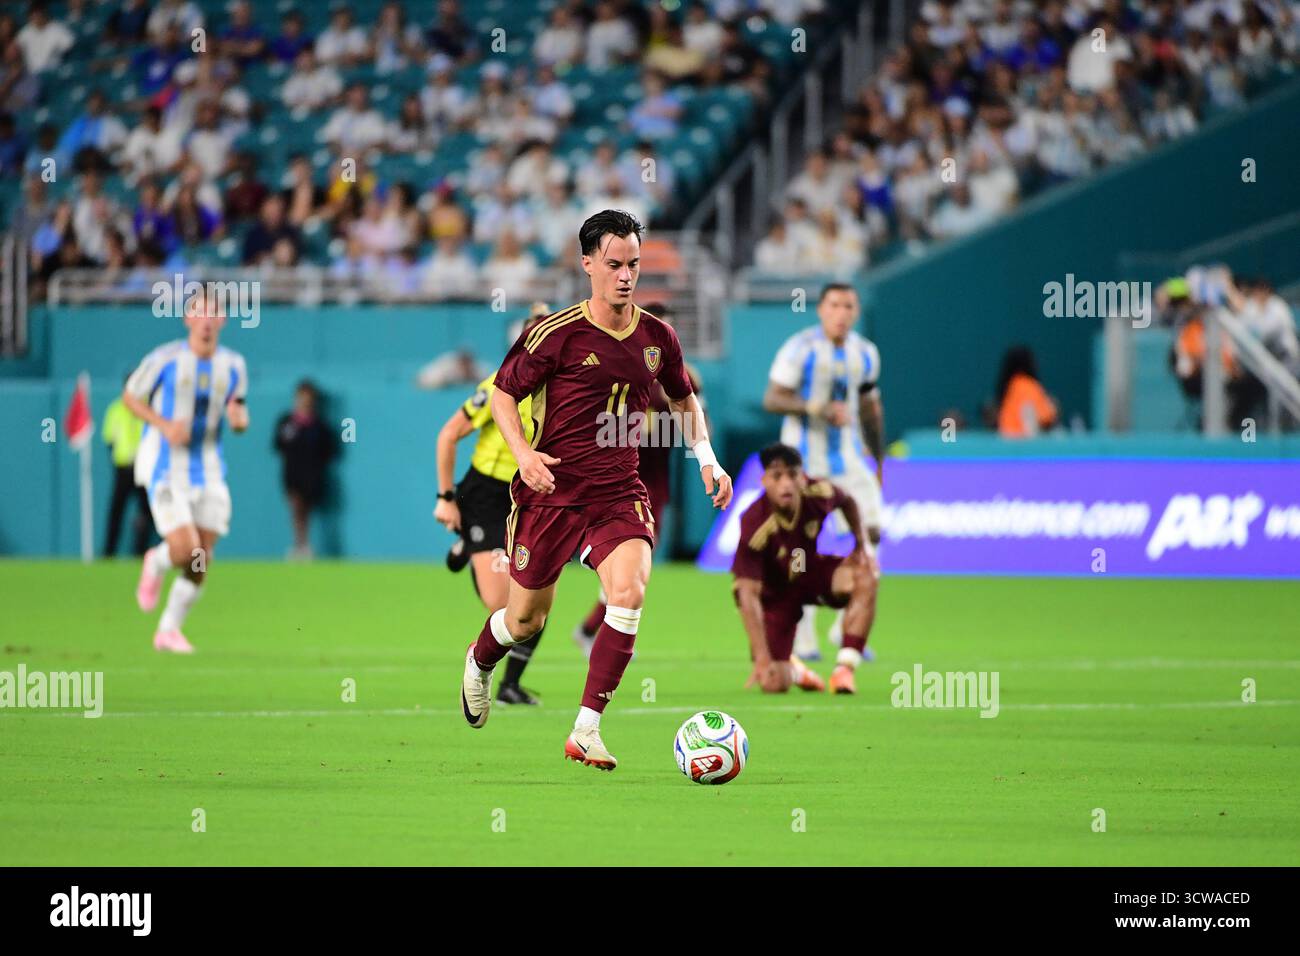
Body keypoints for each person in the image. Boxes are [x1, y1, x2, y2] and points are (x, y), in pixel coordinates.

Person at [457, 209, 733, 771]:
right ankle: (481, 659)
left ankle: (586, 729)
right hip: (551, 494)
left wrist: (706, 458)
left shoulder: (658, 337)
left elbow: (682, 396)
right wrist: (524, 454)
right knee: (525, 620)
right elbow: (504, 395)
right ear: (587, 264)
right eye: (614, 264)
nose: (626, 275)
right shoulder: (553, 334)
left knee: (628, 593)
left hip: (618, 493)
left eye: (634, 264)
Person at [572, 300, 703, 657]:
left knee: (640, 556)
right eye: (656, 324)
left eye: (668, 327)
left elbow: (693, 415)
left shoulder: (683, 376)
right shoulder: (619, 362)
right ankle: (596, 629)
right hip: (613, 476)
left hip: (653, 477)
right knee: (622, 559)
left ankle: (591, 628)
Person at [435, 303, 551, 706]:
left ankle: (510, 686)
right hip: (486, 495)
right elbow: (448, 435)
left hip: (531, 496)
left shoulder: (566, 390)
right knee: (503, 604)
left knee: (536, 602)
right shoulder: (498, 386)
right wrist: (446, 498)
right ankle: (473, 545)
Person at [762, 283, 884, 665]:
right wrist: (816, 408)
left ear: (856, 311)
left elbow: (869, 408)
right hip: (803, 467)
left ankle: (848, 622)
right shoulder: (800, 348)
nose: (841, 313)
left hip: (849, 461)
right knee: (800, 548)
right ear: (821, 309)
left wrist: (879, 460)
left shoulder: (866, 353)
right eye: (834, 305)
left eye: (849, 306)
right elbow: (772, 398)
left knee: (872, 534)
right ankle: (803, 638)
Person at [122, 292, 249, 653]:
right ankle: (156, 560)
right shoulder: (164, 359)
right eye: (199, 313)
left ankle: (168, 630)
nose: (206, 320)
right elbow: (130, 397)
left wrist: (240, 421)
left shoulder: (234, 366)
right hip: (165, 467)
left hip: (208, 469)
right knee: (184, 549)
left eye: (213, 313)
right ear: (188, 319)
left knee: (201, 556)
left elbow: (238, 411)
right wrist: (163, 425)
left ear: (222, 320)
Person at [731, 443, 877, 694]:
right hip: (776, 596)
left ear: (803, 476)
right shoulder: (754, 522)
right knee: (774, 684)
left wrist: (860, 544)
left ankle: (844, 669)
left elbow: (848, 500)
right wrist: (762, 657)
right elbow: (747, 594)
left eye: (792, 475)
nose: (786, 484)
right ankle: (795, 669)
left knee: (866, 574)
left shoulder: (818, 492)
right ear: (764, 480)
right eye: (777, 476)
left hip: (809, 573)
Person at [272, 380, 336, 559]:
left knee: (305, 511)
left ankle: (304, 545)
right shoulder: (287, 422)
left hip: (313, 475)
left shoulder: (320, 425)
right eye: (302, 397)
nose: (305, 401)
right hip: (292, 473)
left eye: (309, 398)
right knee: (296, 507)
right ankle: (299, 545)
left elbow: (329, 451)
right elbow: (278, 444)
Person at [100, 378, 150, 557]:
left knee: (147, 512)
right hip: (122, 468)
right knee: (116, 512)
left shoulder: (149, 409)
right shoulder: (115, 409)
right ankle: (109, 553)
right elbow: (109, 439)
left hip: (143, 468)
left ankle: (141, 552)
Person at [995, 346, 1058, 438]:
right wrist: (1052, 409)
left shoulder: (1010, 386)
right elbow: (1042, 418)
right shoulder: (1028, 386)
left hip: (1007, 441)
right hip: (1023, 443)